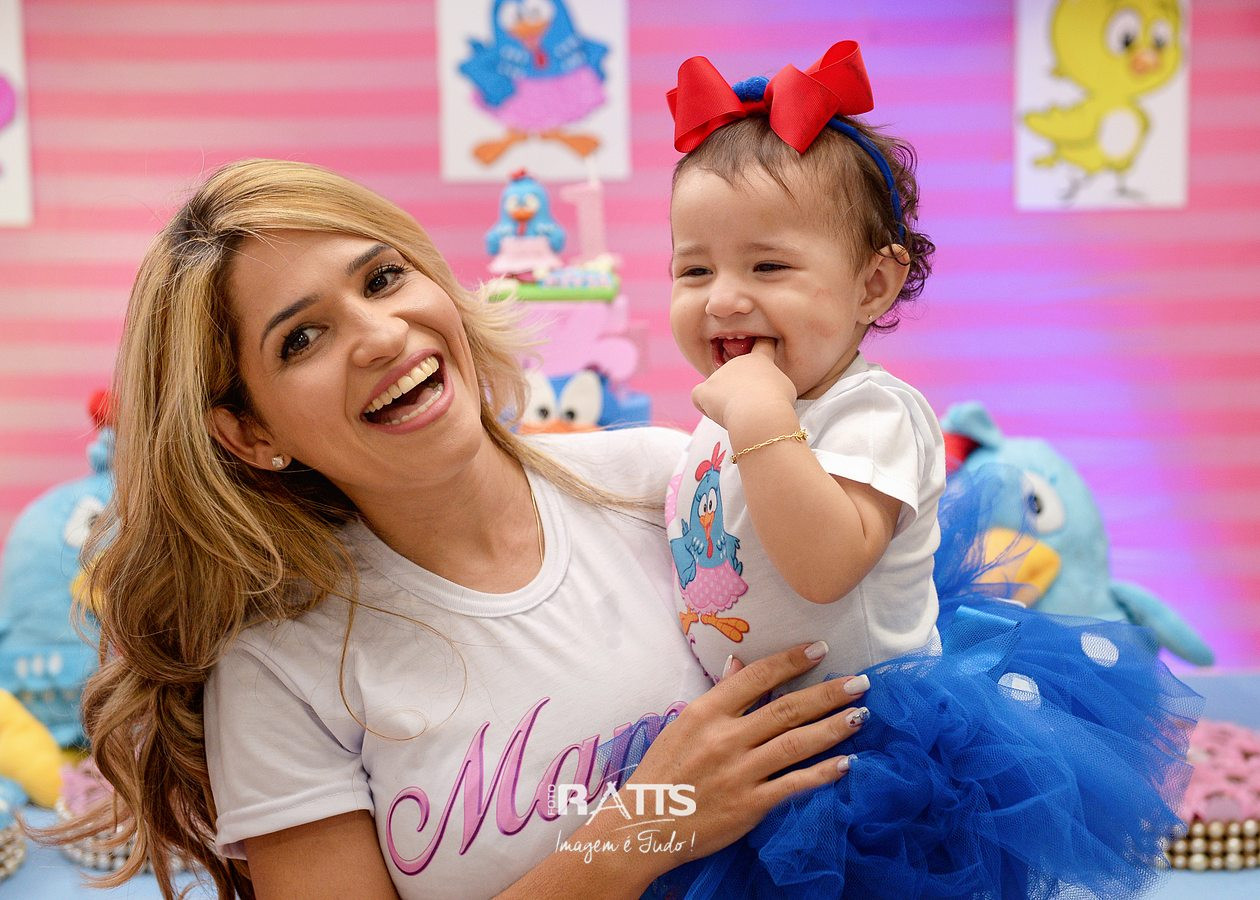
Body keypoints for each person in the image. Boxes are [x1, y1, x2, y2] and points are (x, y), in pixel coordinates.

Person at [42, 158, 874, 900]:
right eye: (302, 338)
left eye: (382, 278)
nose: (381, 336)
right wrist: (643, 827)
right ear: (250, 433)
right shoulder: (279, 668)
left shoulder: (667, 481)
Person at [652, 39, 1201, 899]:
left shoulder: (873, 413)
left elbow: (824, 565)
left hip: (871, 750)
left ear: (873, 286)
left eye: (768, 265)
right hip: (752, 738)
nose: (722, 297)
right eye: (694, 269)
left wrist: (759, 418)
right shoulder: (727, 412)